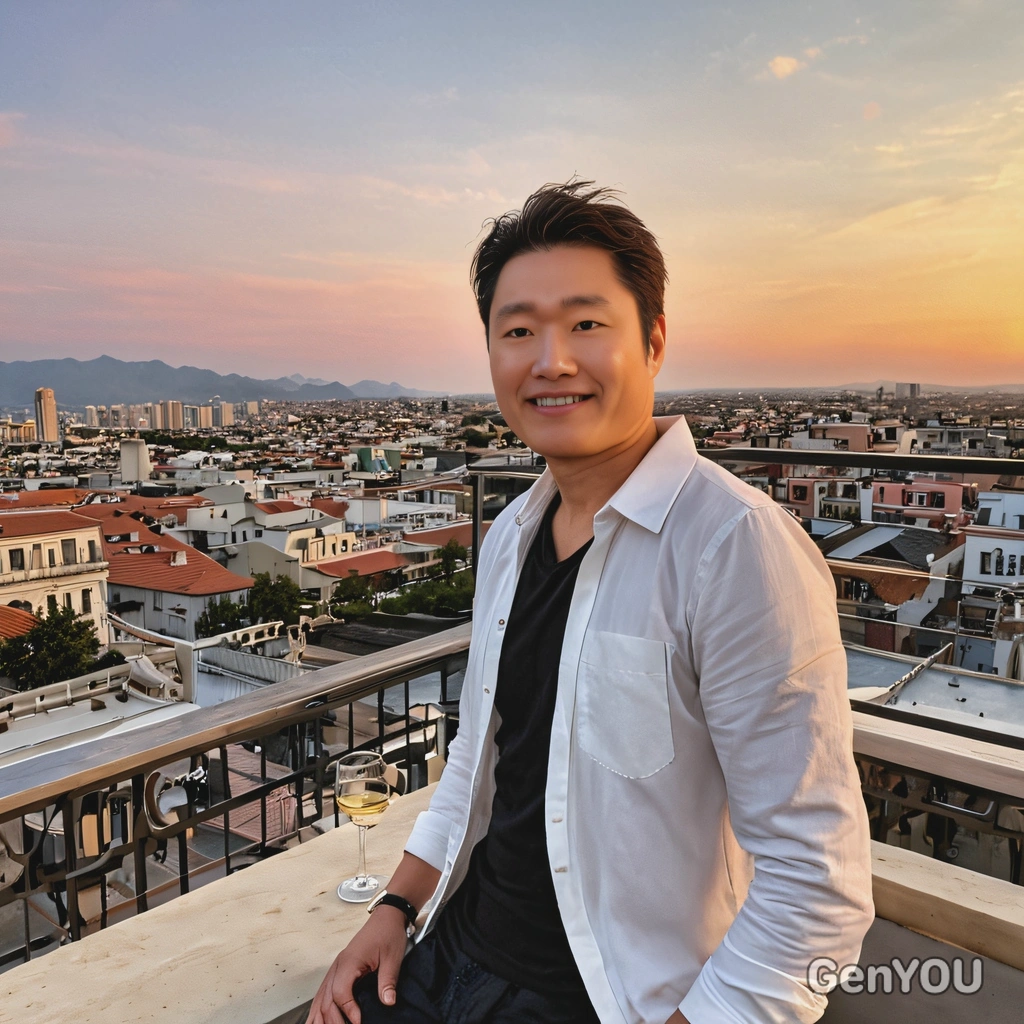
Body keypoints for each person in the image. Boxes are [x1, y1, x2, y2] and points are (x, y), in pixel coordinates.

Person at [306, 181, 874, 1024]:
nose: (551, 361)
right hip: (452, 955)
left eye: (585, 324)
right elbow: (478, 762)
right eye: (519, 331)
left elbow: (816, 879)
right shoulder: (509, 536)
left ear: (652, 341)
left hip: (618, 995)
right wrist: (394, 910)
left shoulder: (735, 548)